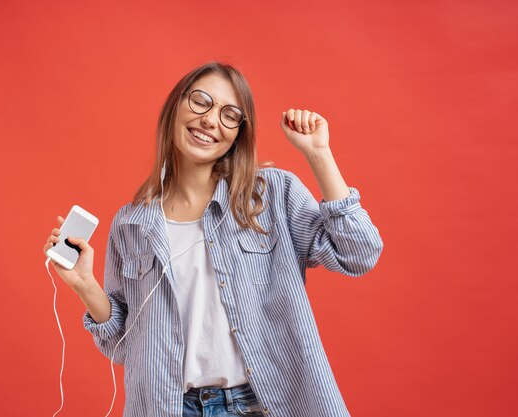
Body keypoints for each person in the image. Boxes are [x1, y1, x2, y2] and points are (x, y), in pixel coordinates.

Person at [43, 61, 383, 417]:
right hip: (169, 407)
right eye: (201, 101)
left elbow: (358, 252)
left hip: (262, 405)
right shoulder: (132, 224)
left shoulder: (270, 196)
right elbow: (124, 346)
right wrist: (85, 285)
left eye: (230, 114)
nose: (210, 120)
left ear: (239, 133)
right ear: (176, 106)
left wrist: (318, 153)